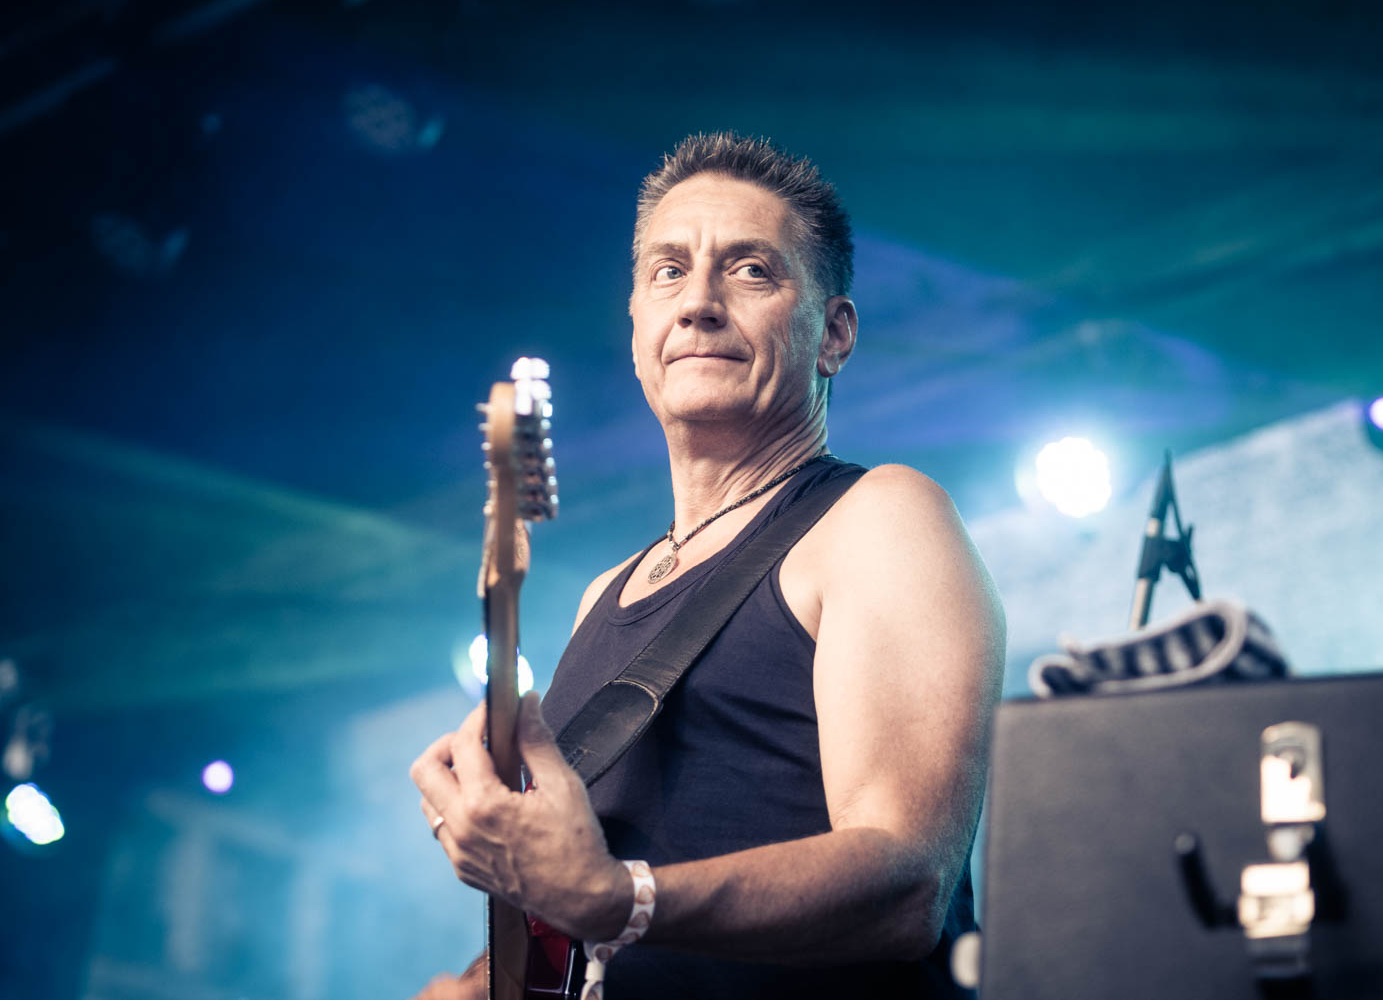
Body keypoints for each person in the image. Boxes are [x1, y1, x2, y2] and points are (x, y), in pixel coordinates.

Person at [410, 132, 1005, 999]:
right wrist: (483, 983)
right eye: (668, 271)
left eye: (751, 270)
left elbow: (909, 884)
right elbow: (580, 908)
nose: (697, 303)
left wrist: (621, 899)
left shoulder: (878, 516)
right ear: (637, 325)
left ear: (834, 333)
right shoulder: (602, 595)